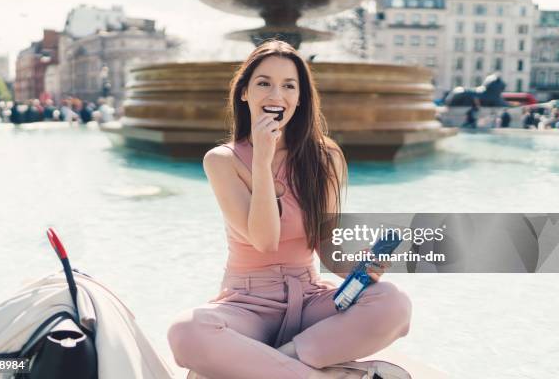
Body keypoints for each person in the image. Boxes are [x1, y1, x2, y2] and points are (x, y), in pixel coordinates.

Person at [167, 40, 411, 379]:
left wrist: (364, 267)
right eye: (264, 83)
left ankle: (273, 363)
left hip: (310, 299)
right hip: (247, 304)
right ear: (244, 93)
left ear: (300, 98)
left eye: (288, 86)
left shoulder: (326, 157)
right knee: (186, 332)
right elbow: (265, 241)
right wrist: (263, 160)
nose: (275, 94)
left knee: (393, 303)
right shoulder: (222, 160)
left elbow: (327, 249)